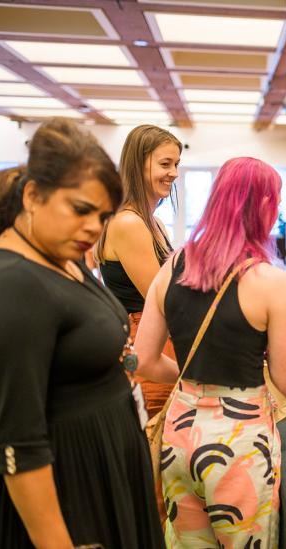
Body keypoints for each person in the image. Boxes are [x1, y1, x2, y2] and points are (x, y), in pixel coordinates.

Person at [0, 119, 164, 548]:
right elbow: (20, 442)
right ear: (32, 196)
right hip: (68, 487)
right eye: (81, 209)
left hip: (103, 467)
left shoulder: (63, 257)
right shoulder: (11, 282)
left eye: (102, 216)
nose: (93, 228)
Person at [134, 156, 286, 548]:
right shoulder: (270, 282)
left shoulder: (174, 265)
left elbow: (143, 358)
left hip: (179, 433)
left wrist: (192, 379)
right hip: (238, 445)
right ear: (263, 206)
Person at [95, 124, 181, 419]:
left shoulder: (153, 222)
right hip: (144, 341)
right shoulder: (128, 223)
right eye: (165, 164)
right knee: (151, 436)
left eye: (176, 164)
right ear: (138, 164)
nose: (174, 173)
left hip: (158, 336)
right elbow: (161, 298)